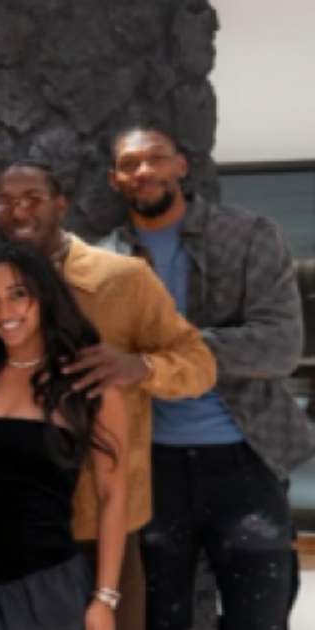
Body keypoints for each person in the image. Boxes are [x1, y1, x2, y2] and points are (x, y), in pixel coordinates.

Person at [0, 160, 217, 629]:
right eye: (5, 202)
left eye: (32, 198)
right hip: (13, 522)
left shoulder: (123, 280)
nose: (19, 211)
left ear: (61, 204)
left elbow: (200, 365)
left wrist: (140, 366)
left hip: (100, 522)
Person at [100, 125, 312, 629]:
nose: (144, 171)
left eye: (156, 158)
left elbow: (281, 346)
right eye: (130, 164)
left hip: (246, 457)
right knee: (158, 619)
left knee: (259, 616)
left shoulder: (248, 235)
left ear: (181, 166)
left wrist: (160, 357)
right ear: (114, 179)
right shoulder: (102, 259)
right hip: (150, 466)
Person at [0, 241, 129, 630]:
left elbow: (112, 493)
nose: (5, 312)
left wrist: (105, 597)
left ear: (45, 296)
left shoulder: (87, 384)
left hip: (41, 591)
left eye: (18, 295)